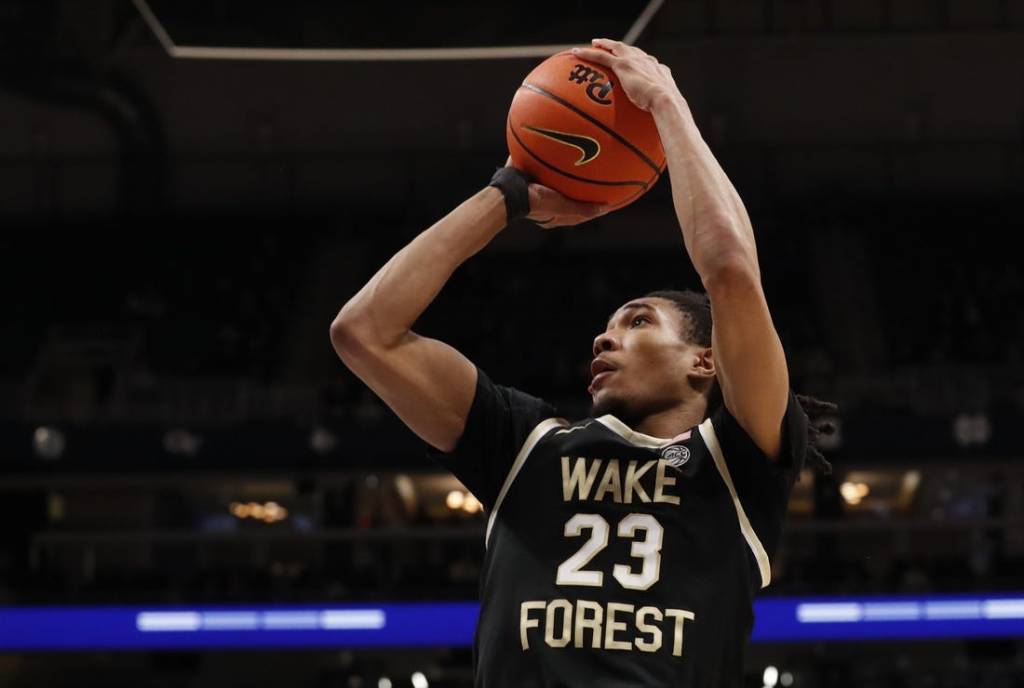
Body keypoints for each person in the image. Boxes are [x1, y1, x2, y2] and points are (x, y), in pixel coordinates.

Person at [331, 38, 834, 688]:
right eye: (607, 325)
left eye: (638, 321)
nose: (604, 338)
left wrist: (665, 104)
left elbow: (731, 271)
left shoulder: (739, 465)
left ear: (705, 362)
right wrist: (507, 195)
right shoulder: (526, 447)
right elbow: (364, 332)